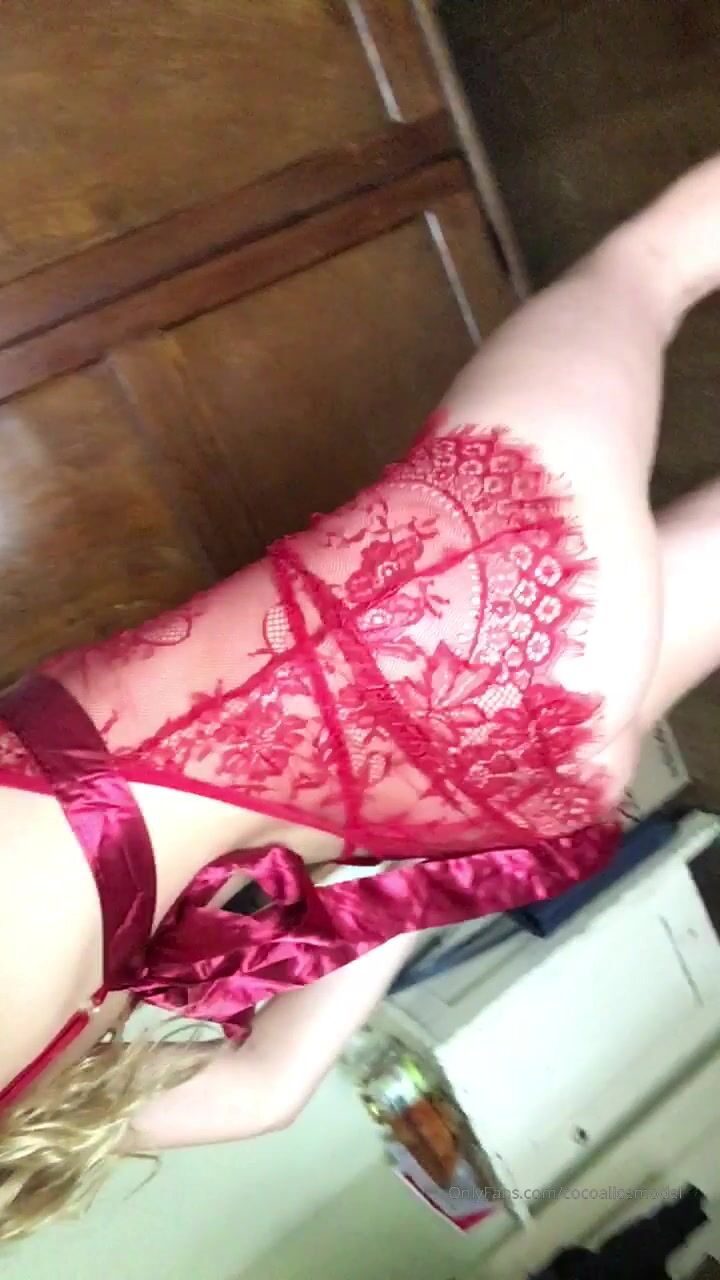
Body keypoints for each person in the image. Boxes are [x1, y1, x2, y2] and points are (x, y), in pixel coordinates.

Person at [2, 154, 720, 1241]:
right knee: (655, 262)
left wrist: (426, 850)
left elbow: (265, 1091)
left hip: (491, 778)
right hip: (462, 599)